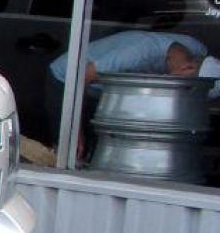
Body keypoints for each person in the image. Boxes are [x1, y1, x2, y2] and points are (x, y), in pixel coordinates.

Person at [45, 30, 220, 152]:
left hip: (110, 91)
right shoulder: (138, 53)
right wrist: (74, 131)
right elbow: (79, 79)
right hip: (68, 80)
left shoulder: (198, 51)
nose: (183, 94)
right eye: (187, 89)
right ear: (187, 68)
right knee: (72, 150)